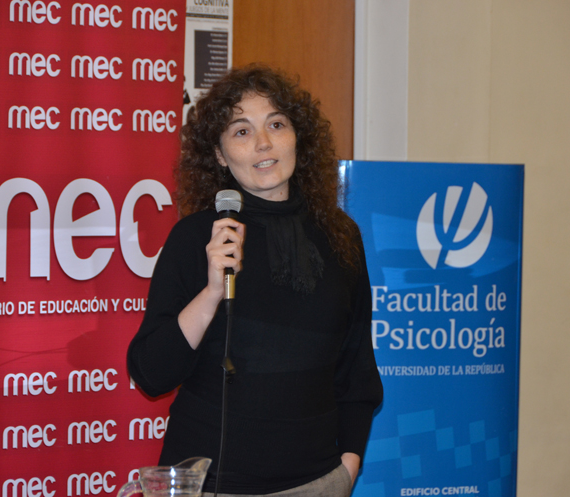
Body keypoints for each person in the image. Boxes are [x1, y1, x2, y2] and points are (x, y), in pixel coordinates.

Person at [127, 65, 383, 496]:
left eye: (276, 124)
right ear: (219, 154)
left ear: (298, 137)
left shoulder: (340, 235)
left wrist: (349, 464)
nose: (263, 143)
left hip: (318, 481)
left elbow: (356, 368)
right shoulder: (196, 238)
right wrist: (212, 291)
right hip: (212, 484)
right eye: (242, 131)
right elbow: (151, 373)